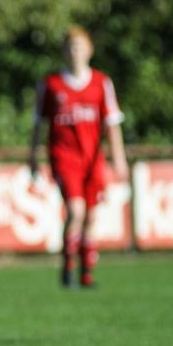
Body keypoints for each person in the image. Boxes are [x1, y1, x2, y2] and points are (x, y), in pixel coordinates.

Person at [29, 25, 128, 288]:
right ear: (64, 52)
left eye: (80, 47)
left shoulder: (101, 83)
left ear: (90, 50)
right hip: (65, 157)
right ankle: (68, 265)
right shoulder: (51, 84)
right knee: (76, 210)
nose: (76, 52)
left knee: (92, 215)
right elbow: (38, 124)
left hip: (93, 158)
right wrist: (33, 158)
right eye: (71, 47)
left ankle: (87, 272)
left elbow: (112, 123)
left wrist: (119, 159)